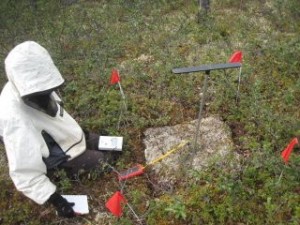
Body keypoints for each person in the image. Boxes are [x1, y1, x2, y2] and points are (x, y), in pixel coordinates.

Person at [0, 41, 118, 218]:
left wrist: (82, 134)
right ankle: (61, 168)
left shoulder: (32, 83)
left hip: (57, 138)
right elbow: (24, 173)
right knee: (103, 161)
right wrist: (56, 199)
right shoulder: (15, 121)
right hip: (53, 153)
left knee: (114, 143)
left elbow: (57, 118)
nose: (47, 94)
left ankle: (85, 142)